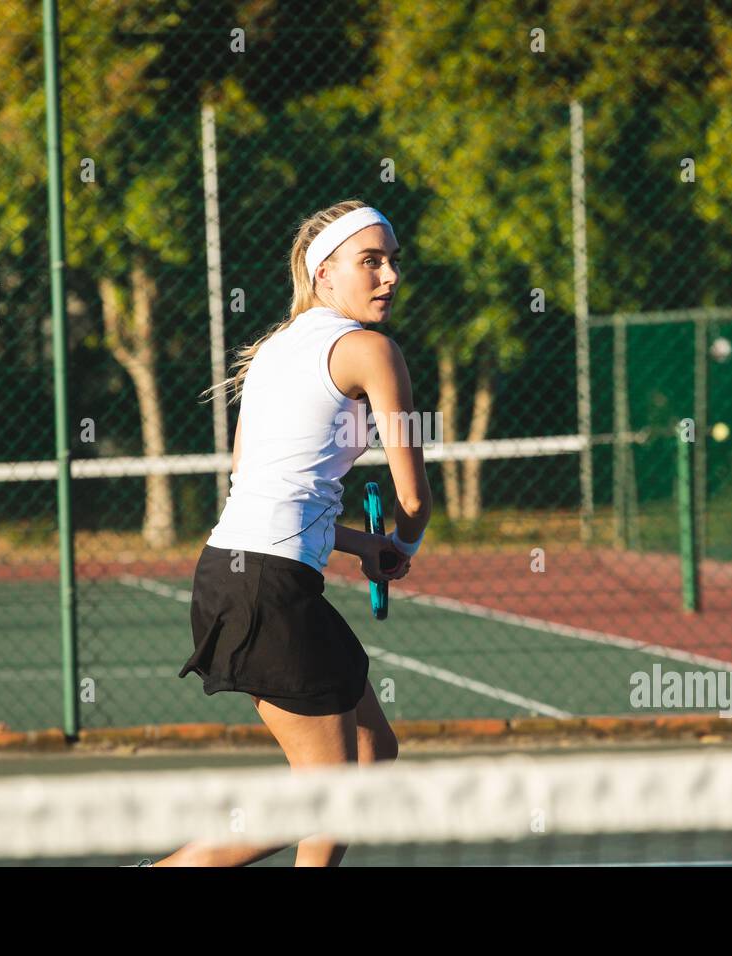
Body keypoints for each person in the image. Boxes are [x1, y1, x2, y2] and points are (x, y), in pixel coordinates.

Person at [156, 200, 431, 867]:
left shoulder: (276, 351)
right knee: (328, 795)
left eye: (393, 261)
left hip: (232, 572)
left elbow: (259, 484)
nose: (390, 276)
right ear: (326, 273)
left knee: (371, 753)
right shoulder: (372, 351)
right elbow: (413, 497)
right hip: (270, 589)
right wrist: (406, 543)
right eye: (371, 261)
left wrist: (367, 546)